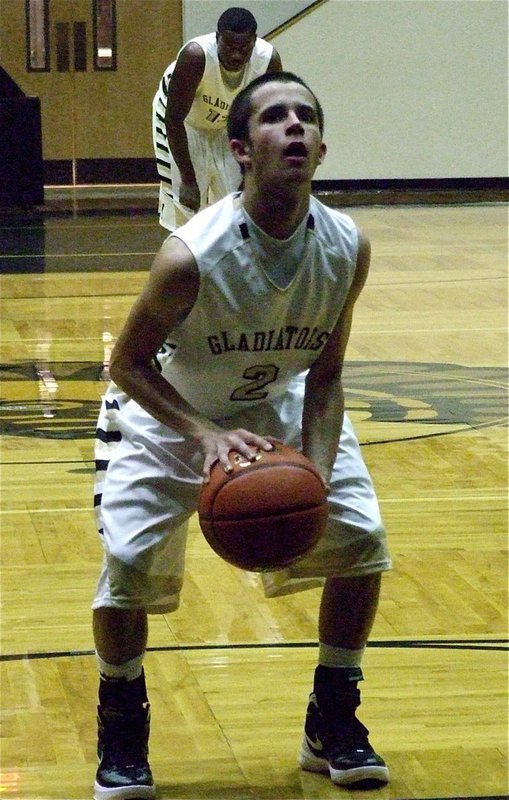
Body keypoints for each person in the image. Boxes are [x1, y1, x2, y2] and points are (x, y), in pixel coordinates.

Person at [92, 71, 392, 800]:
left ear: (321, 147)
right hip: (171, 411)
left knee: (361, 543)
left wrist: (315, 475)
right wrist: (202, 436)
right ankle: (121, 725)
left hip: (278, 407)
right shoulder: (190, 256)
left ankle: (331, 719)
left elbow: (324, 376)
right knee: (128, 570)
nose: (293, 127)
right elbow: (125, 364)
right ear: (240, 150)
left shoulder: (346, 247)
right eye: (274, 118)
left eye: (305, 118)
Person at [152, 6, 282, 231]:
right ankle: (183, 262)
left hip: (228, 126)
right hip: (184, 124)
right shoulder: (196, 57)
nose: (236, 55)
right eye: (229, 46)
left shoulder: (268, 61)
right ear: (217, 38)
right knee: (186, 210)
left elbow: (269, 123)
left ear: (254, 41)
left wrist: (251, 173)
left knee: (237, 205)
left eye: (243, 48)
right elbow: (173, 120)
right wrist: (189, 180)